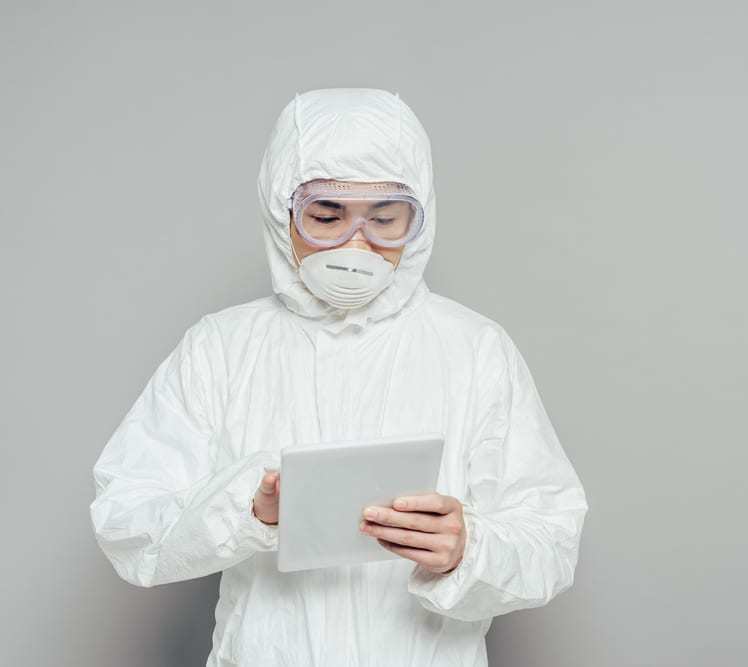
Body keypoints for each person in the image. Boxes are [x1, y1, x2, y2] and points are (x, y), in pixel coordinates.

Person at [89, 88, 588, 666]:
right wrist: (248, 511)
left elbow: (551, 536)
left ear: (417, 220)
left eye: (385, 220)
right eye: (326, 216)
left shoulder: (474, 349)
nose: (356, 245)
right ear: (283, 213)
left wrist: (467, 549)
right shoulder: (221, 348)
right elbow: (127, 524)